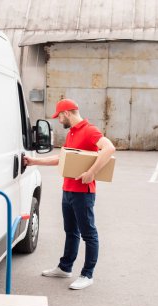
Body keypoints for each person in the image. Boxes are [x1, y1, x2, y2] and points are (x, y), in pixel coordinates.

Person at [24, 99, 115, 290]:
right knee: (71, 231)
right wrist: (34, 161)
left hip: (83, 193)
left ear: (66, 113)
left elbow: (109, 148)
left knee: (88, 234)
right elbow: (62, 158)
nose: (59, 121)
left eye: (59, 117)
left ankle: (87, 275)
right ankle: (65, 268)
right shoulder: (72, 133)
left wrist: (91, 173)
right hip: (68, 190)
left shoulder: (90, 130)